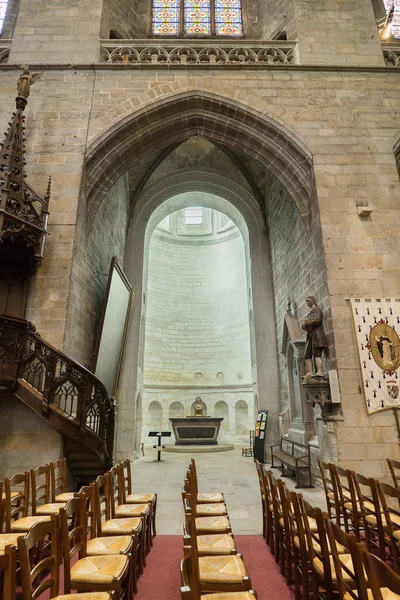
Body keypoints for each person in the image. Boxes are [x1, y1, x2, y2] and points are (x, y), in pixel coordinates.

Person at [301, 295, 328, 379]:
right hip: (311, 335)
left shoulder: (317, 309)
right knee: (307, 354)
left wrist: (307, 323)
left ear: (313, 300)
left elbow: (316, 319)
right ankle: (310, 372)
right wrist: (306, 324)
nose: (307, 302)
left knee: (317, 354)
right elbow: (305, 324)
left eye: (308, 300)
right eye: (306, 301)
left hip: (317, 335)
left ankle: (320, 371)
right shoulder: (311, 312)